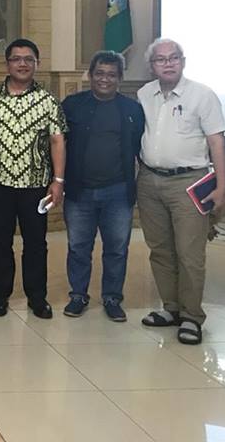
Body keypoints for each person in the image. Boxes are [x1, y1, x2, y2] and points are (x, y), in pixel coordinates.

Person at [137, 38, 225, 345]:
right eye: (161, 59)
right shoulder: (144, 94)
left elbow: (216, 142)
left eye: (174, 58)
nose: (168, 63)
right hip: (149, 181)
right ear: (152, 66)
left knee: (190, 253)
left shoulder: (203, 95)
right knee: (160, 249)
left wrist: (222, 186)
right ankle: (171, 308)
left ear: (183, 62)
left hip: (189, 183)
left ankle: (191, 317)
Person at [0, 38, 66, 319]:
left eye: (28, 59)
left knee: (35, 244)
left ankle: (37, 297)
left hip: (35, 185)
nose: (22, 64)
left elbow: (57, 141)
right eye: (16, 59)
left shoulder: (48, 100)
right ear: (7, 64)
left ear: (37, 64)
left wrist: (58, 180)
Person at [61, 50, 145, 322]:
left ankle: (112, 297)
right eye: (99, 73)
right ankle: (78, 295)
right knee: (78, 247)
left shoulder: (132, 110)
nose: (104, 79)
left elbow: (141, 149)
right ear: (90, 75)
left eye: (111, 74)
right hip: (79, 191)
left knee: (117, 249)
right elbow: (57, 144)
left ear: (120, 78)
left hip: (118, 192)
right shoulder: (72, 105)